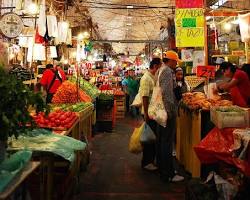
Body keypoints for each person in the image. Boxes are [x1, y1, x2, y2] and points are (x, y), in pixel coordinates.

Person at [158, 50, 184, 182]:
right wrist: (171, 111)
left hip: (163, 111)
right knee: (167, 143)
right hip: (167, 112)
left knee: (165, 141)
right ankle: (168, 174)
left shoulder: (163, 70)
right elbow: (167, 94)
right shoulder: (167, 71)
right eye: (176, 61)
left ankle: (165, 171)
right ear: (171, 61)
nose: (176, 64)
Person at [138, 58, 162, 171]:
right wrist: (146, 113)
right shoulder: (146, 78)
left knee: (153, 138)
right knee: (149, 139)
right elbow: (145, 97)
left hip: (154, 111)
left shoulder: (153, 77)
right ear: (156, 66)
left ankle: (151, 161)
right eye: (160, 66)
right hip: (149, 112)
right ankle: (147, 162)